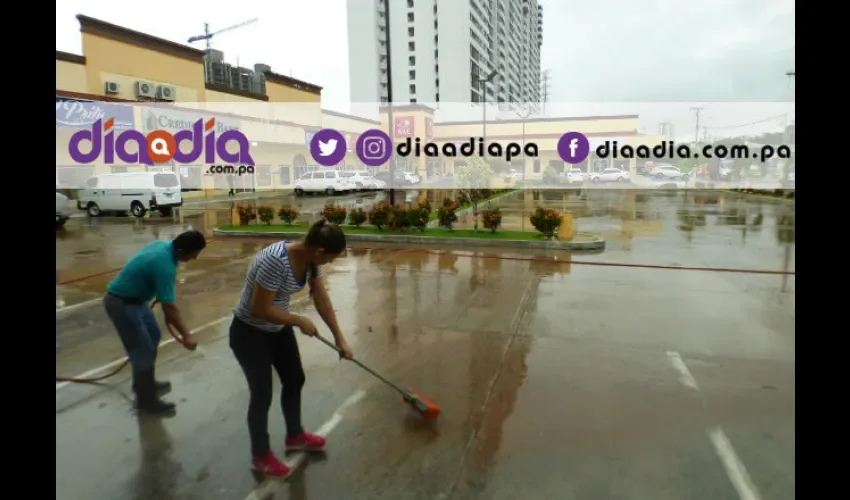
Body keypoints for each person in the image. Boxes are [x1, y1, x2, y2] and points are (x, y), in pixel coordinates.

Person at [230, 219, 353, 478]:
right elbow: (260, 308)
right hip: (249, 334)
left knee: (295, 379)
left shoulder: (310, 262)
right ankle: (260, 455)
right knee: (262, 394)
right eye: (330, 258)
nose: (329, 263)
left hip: (276, 328)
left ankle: (295, 436)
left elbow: (320, 296)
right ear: (319, 251)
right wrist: (298, 320)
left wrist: (340, 339)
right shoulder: (275, 260)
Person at [103, 230, 206, 414]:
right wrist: (186, 335)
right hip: (122, 304)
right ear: (181, 251)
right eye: (192, 255)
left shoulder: (165, 247)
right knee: (141, 349)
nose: (194, 259)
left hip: (136, 300)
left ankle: (144, 383)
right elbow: (170, 310)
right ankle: (146, 400)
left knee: (153, 336)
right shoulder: (164, 265)